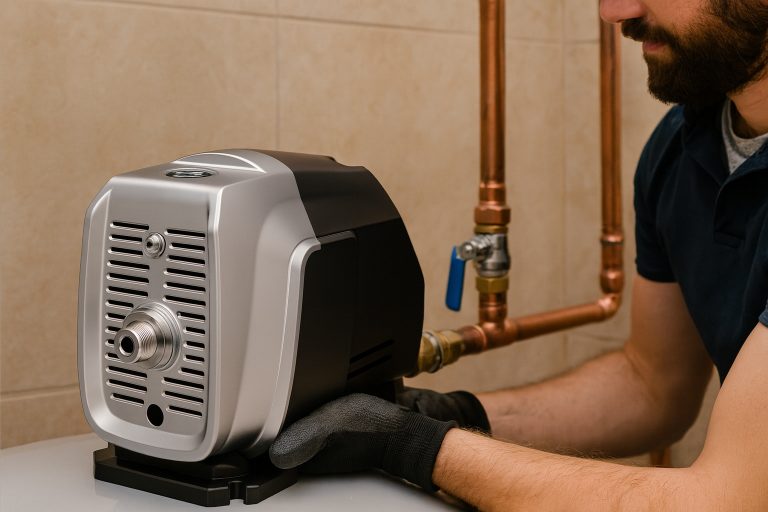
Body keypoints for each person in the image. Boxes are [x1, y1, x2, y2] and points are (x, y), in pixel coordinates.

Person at [269, 1, 768, 509]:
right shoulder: (682, 148)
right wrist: (448, 414)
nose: (616, 10)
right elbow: (651, 386)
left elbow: (728, 498)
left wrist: (409, 444)